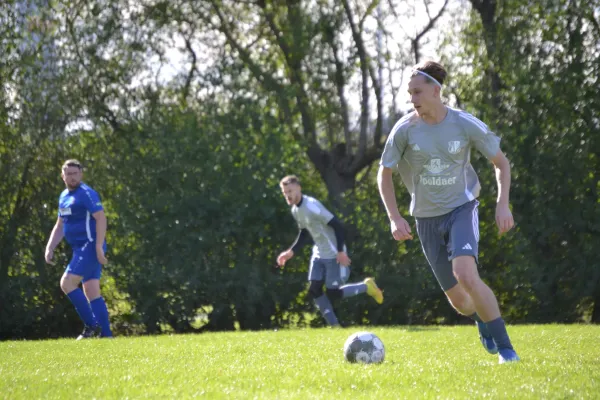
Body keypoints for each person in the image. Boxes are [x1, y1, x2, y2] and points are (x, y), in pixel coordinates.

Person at [377, 61, 519, 363]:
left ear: (436, 90)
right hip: (426, 220)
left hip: (461, 210)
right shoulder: (404, 130)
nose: (412, 98)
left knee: (467, 274)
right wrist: (394, 216)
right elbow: (384, 174)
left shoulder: (464, 123)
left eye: (417, 92)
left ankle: (507, 350)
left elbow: (502, 163)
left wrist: (502, 203)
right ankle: (481, 317)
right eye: (409, 93)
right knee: (461, 303)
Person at [277, 175, 383, 327]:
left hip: (333, 253)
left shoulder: (312, 205)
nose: (287, 195)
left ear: (299, 188)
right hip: (318, 252)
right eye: (284, 192)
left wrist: (340, 251)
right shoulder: (295, 210)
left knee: (333, 292)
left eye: (290, 191)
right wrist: (290, 252)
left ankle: (367, 287)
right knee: (314, 289)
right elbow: (305, 232)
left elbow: (337, 225)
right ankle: (334, 326)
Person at [45, 160, 113, 339]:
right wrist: (50, 246)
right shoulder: (63, 196)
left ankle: (92, 326)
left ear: (81, 174)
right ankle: (107, 336)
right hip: (79, 249)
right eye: (68, 174)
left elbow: (101, 218)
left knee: (66, 283)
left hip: (89, 246)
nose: (72, 177)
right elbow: (60, 224)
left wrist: (98, 247)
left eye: (75, 173)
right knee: (91, 290)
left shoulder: (86, 193)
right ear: (62, 176)